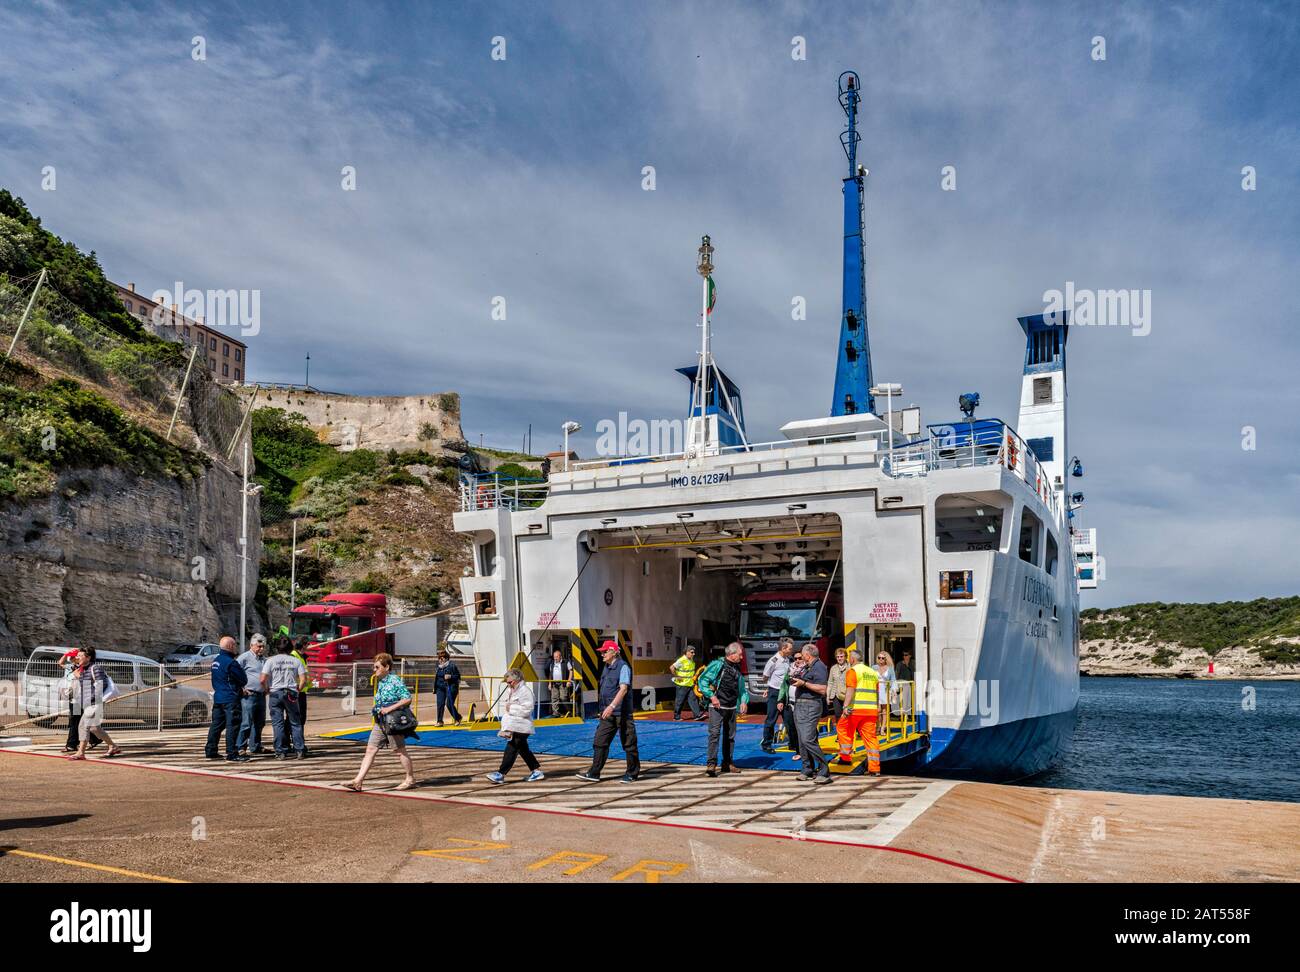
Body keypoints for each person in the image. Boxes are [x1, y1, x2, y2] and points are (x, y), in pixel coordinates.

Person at [342, 653, 417, 791]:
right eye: (374, 667)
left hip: (393, 722)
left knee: (400, 751)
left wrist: (389, 708)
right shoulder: (381, 682)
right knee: (370, 749)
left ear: (386, 667)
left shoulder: (394, 680)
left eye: (377, 667)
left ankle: (410, 778)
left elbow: (407, 698)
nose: (374, 669)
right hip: (380, 721)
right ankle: (358, 781)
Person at [575, 640, 639, 783]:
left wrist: (611, 706)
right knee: (599, 741)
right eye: (601, 652)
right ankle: (594, 773)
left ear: (614, 652)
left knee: (629, 744)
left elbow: (623, 689)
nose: (602, 654)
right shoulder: (606, 667)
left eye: (605, 652)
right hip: (607, 713)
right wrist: (604, 708)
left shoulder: (623, 667)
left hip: (622, 714)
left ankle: (632, 773)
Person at [696, 642, 750, 777]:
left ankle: (727, 763)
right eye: (740, 654)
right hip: (717, 707)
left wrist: (743, 701)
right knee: (714, 734)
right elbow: (702, 680)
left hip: (731, 707)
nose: (742, 657)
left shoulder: (737, 669)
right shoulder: (717, 665)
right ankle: (711, 764)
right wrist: (712, 697)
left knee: (730, 737)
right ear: (732, 654)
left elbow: (743, 690)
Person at [486, 667, 545, 784]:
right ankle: (536, 771)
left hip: (522, 726)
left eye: (509, 682)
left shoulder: (525, 692)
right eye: (507, 682)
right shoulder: (511, 690)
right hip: (514, 725)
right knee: (523, 749)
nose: (508, 685)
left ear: (516, 680)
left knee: (512, 747)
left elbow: (527, 710)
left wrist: (511, 708)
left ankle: (501, 774)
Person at [66, 647, 122, 760]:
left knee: (83, 725)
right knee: (94, 728)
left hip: (94, 702)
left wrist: (92, 699)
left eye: (80, 656)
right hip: (89, 702)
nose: (77, 658)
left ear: (88, 657)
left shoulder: (95, 668)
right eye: (77, 656)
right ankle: (113, 746)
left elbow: (102, 684)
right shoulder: (84, 669)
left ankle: (80, 753)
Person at [790, 643, 831, 783]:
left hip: (810, 705)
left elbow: (822, 689)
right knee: (802, 740)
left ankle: (824, 770)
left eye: (802, 654)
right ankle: (807, 768)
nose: (801, 657)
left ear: (808, 655)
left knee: (808, 738)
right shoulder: (808, 667)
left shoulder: (819, 667)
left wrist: (804, 684)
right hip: (801, 704)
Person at [836, 648, 881, 775]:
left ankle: (845, 758)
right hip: (871, 711)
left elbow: (851, 689)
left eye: (849, 657)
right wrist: (877, 707)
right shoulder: (872, 672)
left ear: (852, 659)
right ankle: (874, 768)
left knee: (843, 729)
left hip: (855, 710)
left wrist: (845, 706)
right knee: (871, 738)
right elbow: (877, 692)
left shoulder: (853, 671)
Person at [261, 641, 308, 758]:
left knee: (278, 723)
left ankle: (280, 751)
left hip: (275, 692)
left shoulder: (270, 661)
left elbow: (262, 679)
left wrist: (267, 689)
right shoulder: (296, 661)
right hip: (291, 693)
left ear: (277, 648)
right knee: (295, 722)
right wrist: (298, 690)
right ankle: (300, 750)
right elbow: (303, 679)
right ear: (290, 649)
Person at [205, 636, 247, 762]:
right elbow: (243, 679)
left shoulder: (216, 661)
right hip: (230, 699)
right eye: (234, 645)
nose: (236, 648)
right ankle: (232, 753)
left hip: (218, 698)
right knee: (233, 726)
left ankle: (211, 750)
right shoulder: (231, 662)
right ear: (230, 646)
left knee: (216, 726)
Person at [760, 639, 796, 753]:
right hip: (775, 693)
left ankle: (793, 743)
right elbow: (765, 676)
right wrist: (769, 687)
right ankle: (767, 744)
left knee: (789, 720)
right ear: (783, 648)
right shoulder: (773, 661)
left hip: (785, 693)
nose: (791, 651)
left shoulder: (787, 660)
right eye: (790, 649)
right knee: (771, 719)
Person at [236, 634, 268, 755]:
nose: (261, 649)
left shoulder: (264, 660)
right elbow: (233, 673)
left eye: (263, 646)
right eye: (259, 646)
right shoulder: (244, 657)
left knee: (259, 722)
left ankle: (255, 746)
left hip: (261, 695)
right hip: (248, 696)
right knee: (246, 723)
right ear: (251, 645)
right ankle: (240, 747)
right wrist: (241, 688)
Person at [669, 646, 702, 721]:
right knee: (680, 701)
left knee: (693, 699)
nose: (693, 654)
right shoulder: (682, 660)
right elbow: (671, 667)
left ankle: (697, 715)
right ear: (686, 652)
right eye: (692, 652)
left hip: (690, 684)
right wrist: (676, 676)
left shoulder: (691, 659)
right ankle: (676, 717)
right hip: (682, 684)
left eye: (694, 652)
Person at [290, 638, 312, 749]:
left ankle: (298, 741)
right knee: (296, 719)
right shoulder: (294, 656)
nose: (309, 646)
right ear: (303, 645)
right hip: (296, 691)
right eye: (307, 644)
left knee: (301, 718)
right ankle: (297, 743)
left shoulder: (302, 657)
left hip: (301, 691)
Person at [434, 650, 463, 726]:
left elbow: (458, 677)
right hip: (440, 688)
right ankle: (440, 721)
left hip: (451, 687)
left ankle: (458, 718)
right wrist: (435, 687)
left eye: (443, 658)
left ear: (447, 658)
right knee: (440, 704)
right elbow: (437, 678)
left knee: (449, 704)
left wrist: (450, 676)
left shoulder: (452, 666)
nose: (441, 659)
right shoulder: (438, 668)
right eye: (439, 658)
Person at [546, 647, 575, 718]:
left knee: (563, 698)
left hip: (563, 683)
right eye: (554, 657)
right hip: (554, 683)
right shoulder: (552, 664)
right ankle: (555, 713)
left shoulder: (566, 662)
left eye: (556, 657)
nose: (555, 658)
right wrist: (550, 683)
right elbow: (551, 674)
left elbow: (571, 671)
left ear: (560, 656)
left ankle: (569, 711)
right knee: (554, 698)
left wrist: (568, 681)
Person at [875, 649, 896, 737]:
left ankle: (883, 728)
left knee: (884, 711)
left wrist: (893, 693)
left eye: (882, 658)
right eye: (879, 657)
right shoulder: (874, 667)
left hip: (885, 691)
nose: (880, 659)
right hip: (876, 691)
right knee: (877, 710)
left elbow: (893, 681)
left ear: (885, 659)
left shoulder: (890, 669)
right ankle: (878, 727)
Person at [827, 647, 850, 722]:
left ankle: (849, 732)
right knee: (838, 715)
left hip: (848, 694)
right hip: (836, 695)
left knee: (848, 714)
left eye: (841, 656)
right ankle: (840, 733)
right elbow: (830, 682)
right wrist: (828, 696)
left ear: (845, 657)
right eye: (838, 657)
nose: (839, 658)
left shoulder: (850, 667)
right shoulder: (833, 668)